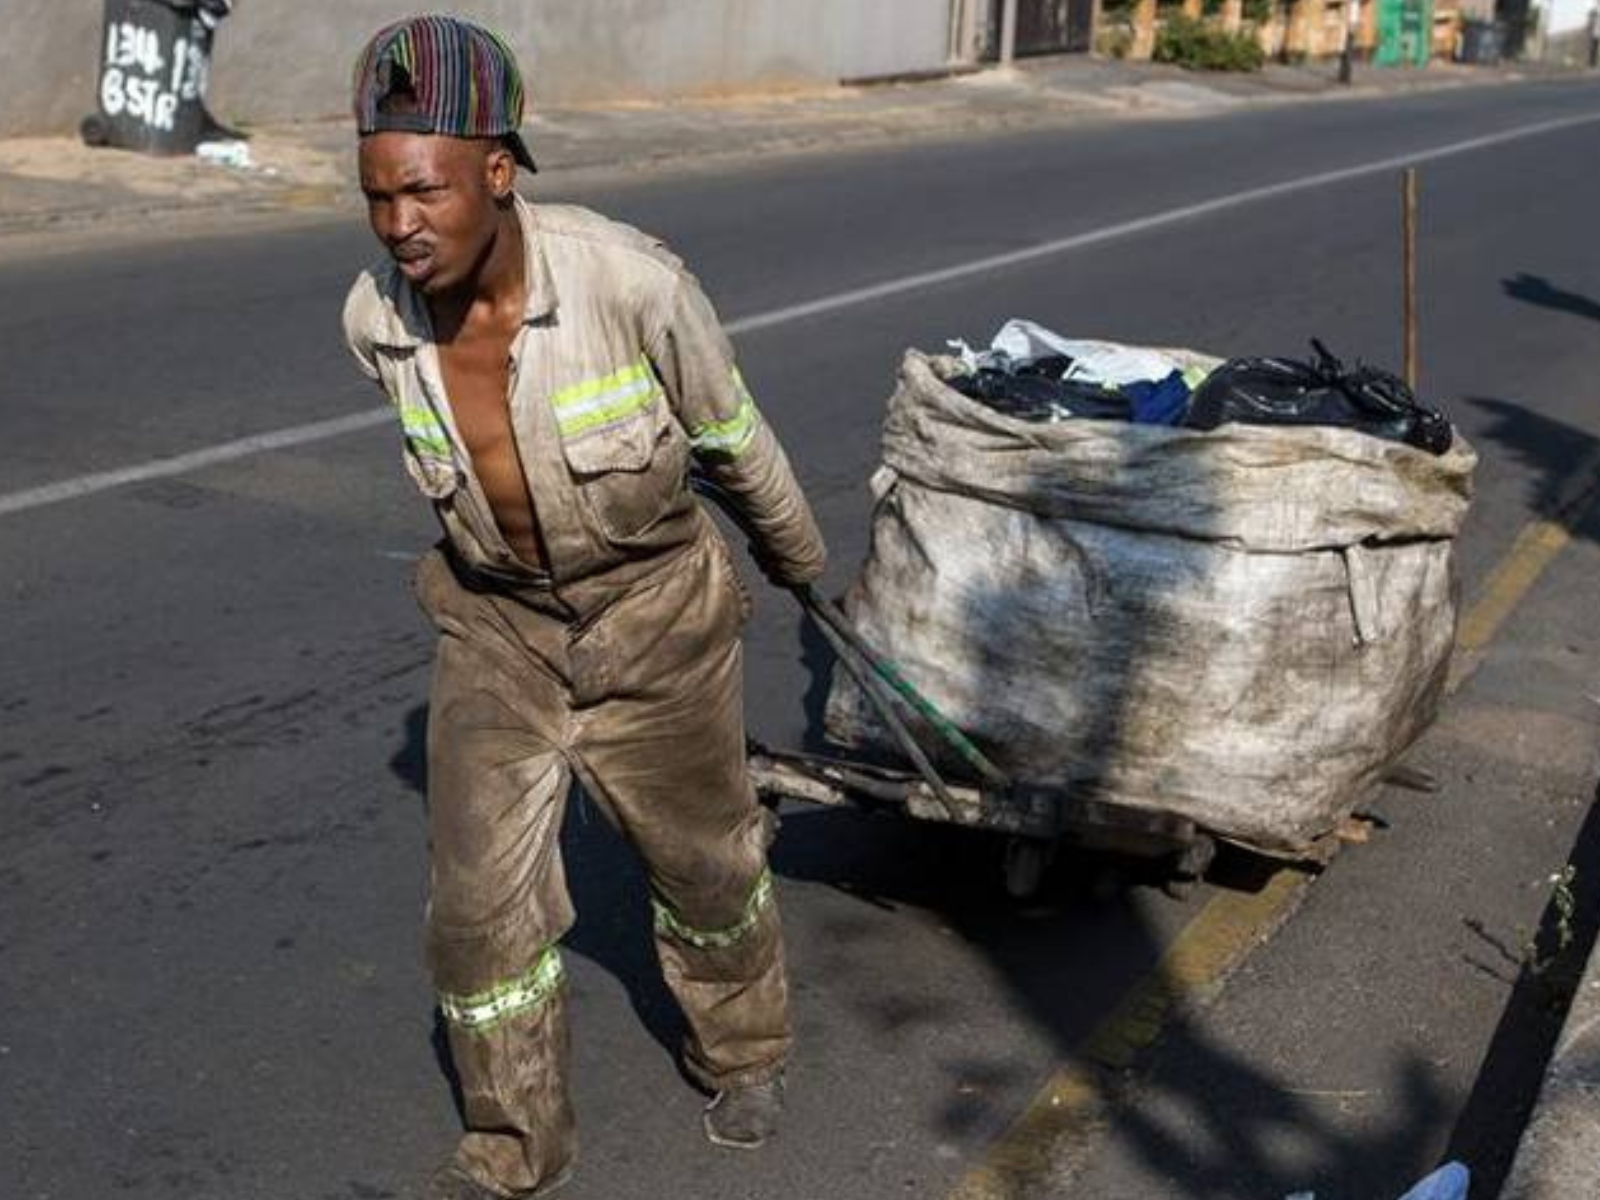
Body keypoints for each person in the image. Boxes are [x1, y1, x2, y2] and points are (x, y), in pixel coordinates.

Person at [341, 16, 826, 1199]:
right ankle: (512, 1150)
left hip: (653, 616)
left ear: (496, 172)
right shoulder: (377, 322)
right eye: (375, 197)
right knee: (475, 918)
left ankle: (745, 1047)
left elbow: (728, 436)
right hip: (497, 631)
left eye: (424, 192)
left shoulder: (633, 283)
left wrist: (800, 566)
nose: (400, 225)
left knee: (705, 869)